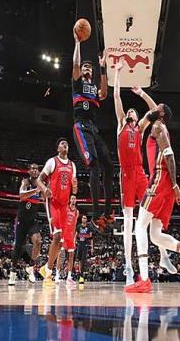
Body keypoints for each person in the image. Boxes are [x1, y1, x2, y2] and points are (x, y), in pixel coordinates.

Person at [124, 104, 180, 293]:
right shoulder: (162, 127)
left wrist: (175, 184)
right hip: (166, 186)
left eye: (157, 106)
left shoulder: (157, 127)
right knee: (155, 235)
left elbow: (169, 155)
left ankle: (144, 279)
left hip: (160, 180)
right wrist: (141, 93)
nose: (153, 107)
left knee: (139, 226)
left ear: (160, 113)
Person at [113, 59, 176, 286]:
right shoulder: (121, 124)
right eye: (129, 110)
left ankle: (164, 255)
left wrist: (141, 93)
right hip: (126, 175)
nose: (130, 111)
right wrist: (117, 73)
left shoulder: (139, 128)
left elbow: (154, 111)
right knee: (129, 222)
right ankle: (129, 267)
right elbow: (116, 96)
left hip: (140, 173)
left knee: (151, 213)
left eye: (133, 110)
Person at [71, 29, 113, 232]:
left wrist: (103, 67)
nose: (87, 68)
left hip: (94, 130)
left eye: (89, 66)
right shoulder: (77, 84)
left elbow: (104, 93)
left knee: (109, 166)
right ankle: (96, 216)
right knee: (94, 166)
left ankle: (108, 211)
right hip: (81, 127)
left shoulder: (95, 89)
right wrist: (78, 43)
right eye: (85, 66)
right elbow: (75, 65)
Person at [37, 138, 77, 285]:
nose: (65, 144)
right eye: (61, 143)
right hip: (53, 202)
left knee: (60, 241)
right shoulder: (52, 162)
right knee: (57, 236)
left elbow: (74, 191)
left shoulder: (72, 165)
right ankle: (48, 272)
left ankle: (46, 269)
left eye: (66, 143)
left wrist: (75, 186)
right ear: (58, 148)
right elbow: (39, 180)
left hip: (64, 205)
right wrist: (44, 189)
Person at [9, 163, 43, 286]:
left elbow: (46, 196)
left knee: (38, 241)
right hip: (22, 220)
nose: (35, 170)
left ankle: (31, 267)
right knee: (18, 247)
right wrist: (35, 190)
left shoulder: (40, 184)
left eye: (37, 169)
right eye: (32, 168)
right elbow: (22, 196)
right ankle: (12, 273)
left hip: (32, 220)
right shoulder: (25, 182)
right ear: (29, 171)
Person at [55, 194, 79, 286]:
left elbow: (75, 224)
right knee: (61, 255)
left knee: (71, 255)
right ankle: (57, 275)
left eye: (74, 199)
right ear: (70, 200)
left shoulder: (76, 212)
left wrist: (74, 237)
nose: (73, 200)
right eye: (72, 198)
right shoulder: (65, 208)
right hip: (64, 233)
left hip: (70, 235)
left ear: (76, 201)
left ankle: (69, 277)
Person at [76, 214, 93, 284]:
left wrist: (92, 247)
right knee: (79, 259)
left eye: (85, 218)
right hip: (79, 244)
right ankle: (80, 273)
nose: (84, 219)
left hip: (85, 244)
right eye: (83, 218)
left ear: (86, 219)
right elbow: (76, 235)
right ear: (81, 219)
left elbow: (90, 236)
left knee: (83, 259)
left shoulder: (89, 227)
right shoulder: (78, 226)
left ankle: (82, 275)